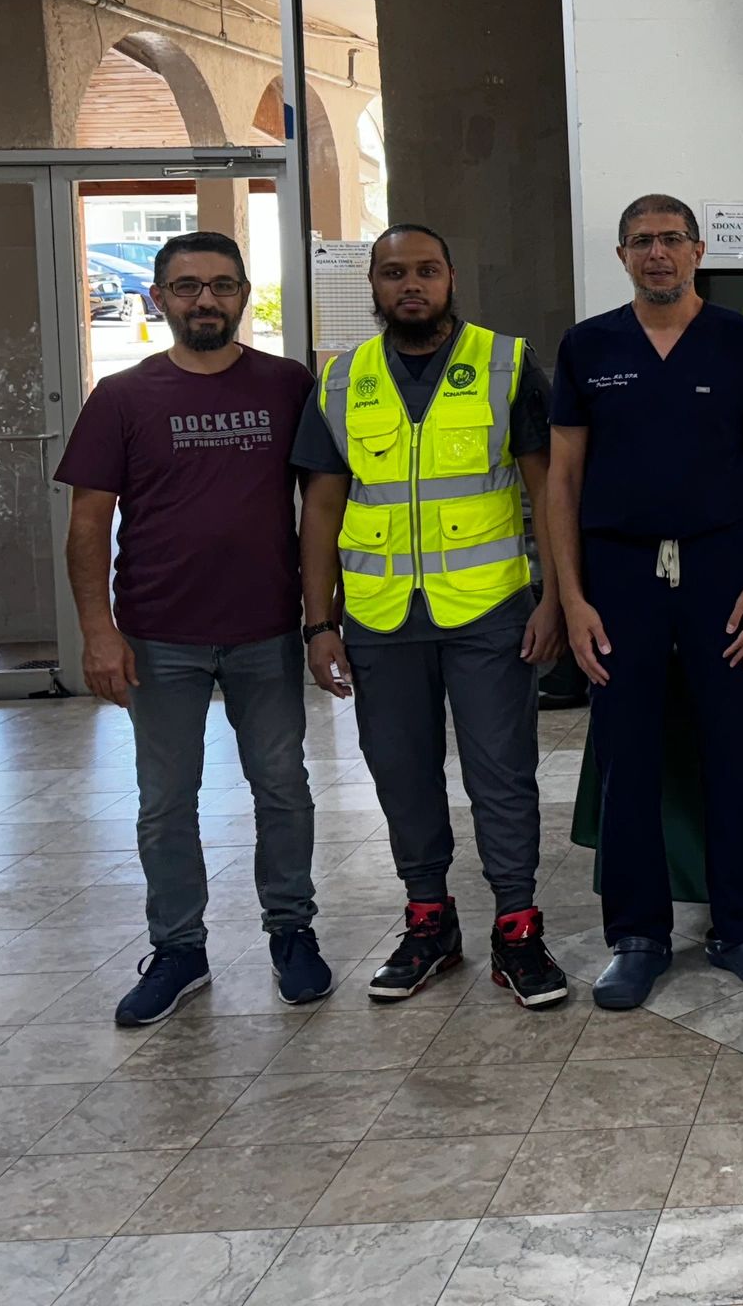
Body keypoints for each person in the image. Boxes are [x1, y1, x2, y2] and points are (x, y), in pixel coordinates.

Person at [56, 232, 330, 1027]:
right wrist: (99, 632)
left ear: (244, 294)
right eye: (186, 286)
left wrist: (323, 619)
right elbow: (88, 522)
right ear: (158, 298)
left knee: (283, 787)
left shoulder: (288, 385)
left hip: (265, 630)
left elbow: (323, 505)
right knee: (166, 800)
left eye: (221, 285)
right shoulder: (122, 396)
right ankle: (179, 950)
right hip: (159, 637)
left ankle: (292, 932)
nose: (205, 300)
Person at [295, 224, 569, 1010]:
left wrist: (554, 598)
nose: (410, 285)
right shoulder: (341, 380)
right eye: (393, 273)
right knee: (401, 775)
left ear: (451, 278)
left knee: (502, 776)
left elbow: (547, 490)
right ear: (373, 286)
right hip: (381, 620)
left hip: (490, 612)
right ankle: (429, 923)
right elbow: (321, 508)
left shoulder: (506, 364)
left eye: (425, 271)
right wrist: (319, 623)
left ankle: (517, 928)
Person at [548, 195, 743, 1010]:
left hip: (722, 568)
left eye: (671, 239)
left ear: (698, 251)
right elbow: (562, 481)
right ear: (622, 255)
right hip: (618, 576)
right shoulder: (589, 347)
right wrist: (572, 597)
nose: (657, 253)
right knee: (627, 759)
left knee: (733, 749)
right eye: (641, 241)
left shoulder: (740, 342)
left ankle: (741, 926)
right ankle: (638, 936)